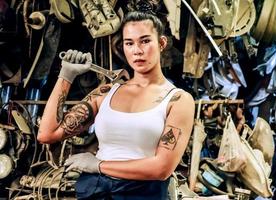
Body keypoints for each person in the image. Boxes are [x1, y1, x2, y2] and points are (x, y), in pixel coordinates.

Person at [37, 11, 195, 199]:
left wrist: (98, 165)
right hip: (96, 191)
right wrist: (66, 75)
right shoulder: (106, 92)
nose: (137, 50)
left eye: (145, 41)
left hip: (144, 194)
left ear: (161, 43)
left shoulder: (177, 99)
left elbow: (162, 168)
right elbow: (47, 134)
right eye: (129, 43)